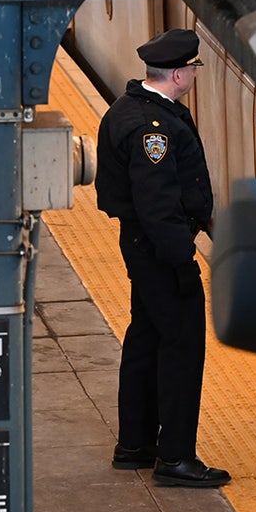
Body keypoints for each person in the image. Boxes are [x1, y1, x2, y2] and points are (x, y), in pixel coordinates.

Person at [93, 29, 230, 487]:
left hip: (140, 246)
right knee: (181, 349)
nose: (193, 73)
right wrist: (182, 261)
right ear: (178, 73)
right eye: (192, 68)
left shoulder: (133, 109)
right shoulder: (153, 129)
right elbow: (157, 205)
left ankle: (134, 444)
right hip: (158, 252)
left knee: (146, 338)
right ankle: (175, 457)